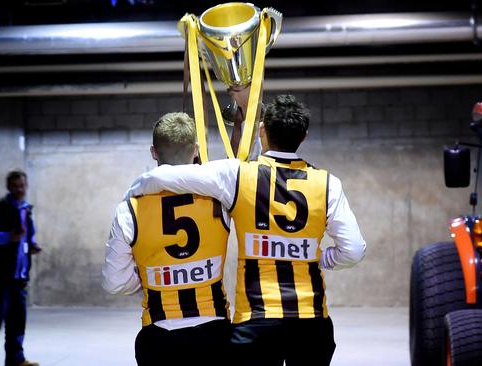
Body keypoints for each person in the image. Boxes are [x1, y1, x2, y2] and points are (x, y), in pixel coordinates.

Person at [128, 93, 367, 366]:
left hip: (256, 322)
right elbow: (354, 250)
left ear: (262, 130)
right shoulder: (328, 184)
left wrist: (136, 189)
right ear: (305, 136)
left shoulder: (239, 175)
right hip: (311, 322)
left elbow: (173, 175)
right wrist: (322, 258)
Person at [102, 112, 231, 366]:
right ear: (196, 150)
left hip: (159, 337)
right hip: (215, 334)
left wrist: (148, 277)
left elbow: (114, 283)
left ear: (153, 152)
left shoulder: (129, 208)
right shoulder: (221, 200)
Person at [0, 170, 41, 366]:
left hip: (19, 276)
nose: (20, 189)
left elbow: (29, 236)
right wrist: (7, 237)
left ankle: (15, 359)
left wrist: (33, 245)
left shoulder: (27, 210)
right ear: (9, 187)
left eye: (23, 185)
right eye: (16, 186)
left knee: (17, 321)